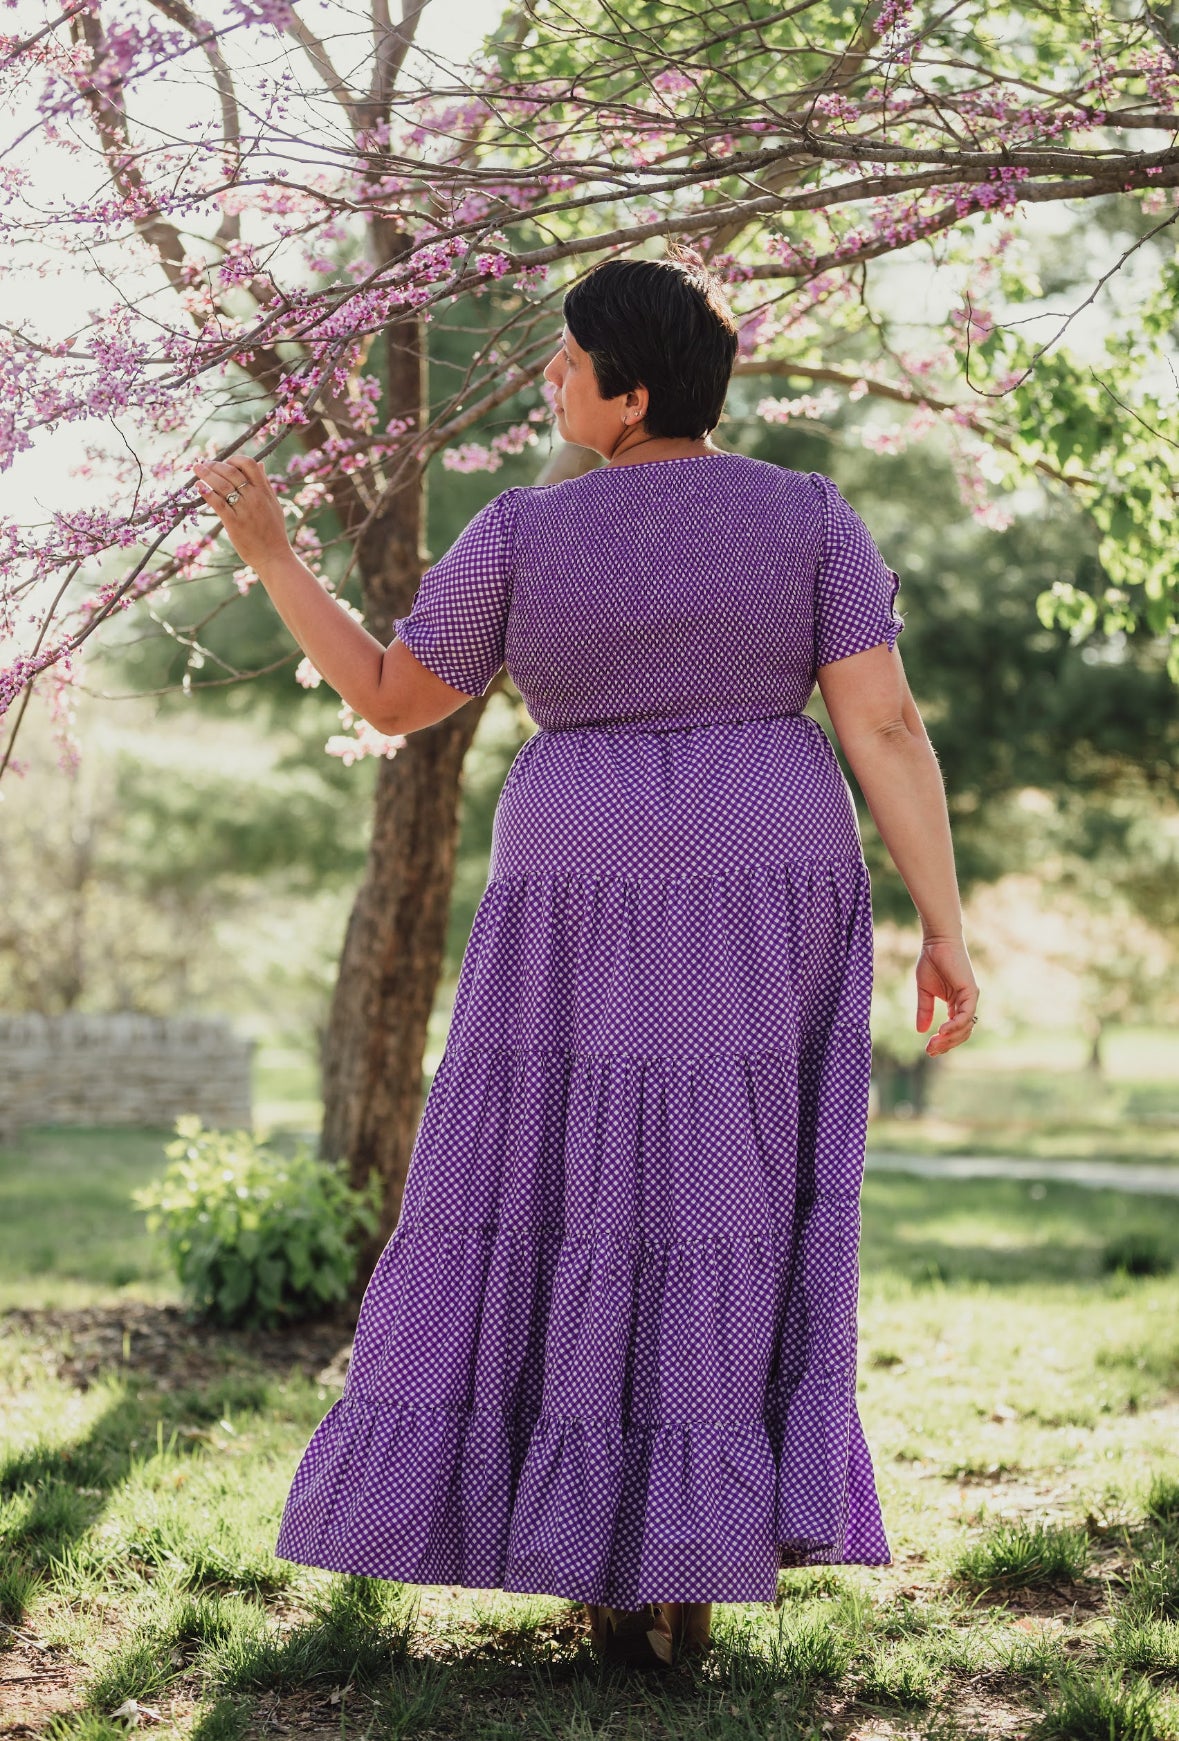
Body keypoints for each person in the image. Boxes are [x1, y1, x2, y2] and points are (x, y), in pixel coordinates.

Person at [191, 244, 980, 1674]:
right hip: (767, 864)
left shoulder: (519, 537)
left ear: (626, 396)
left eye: (566, 360)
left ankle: (604, 1554)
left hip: (584, 871)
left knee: (570, 1179)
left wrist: (276, 561)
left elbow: (388, 697)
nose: (550, 375)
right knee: (729, 1183)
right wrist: (947, 921)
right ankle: (697, 1559)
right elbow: (886, 730)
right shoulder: (812, 518)